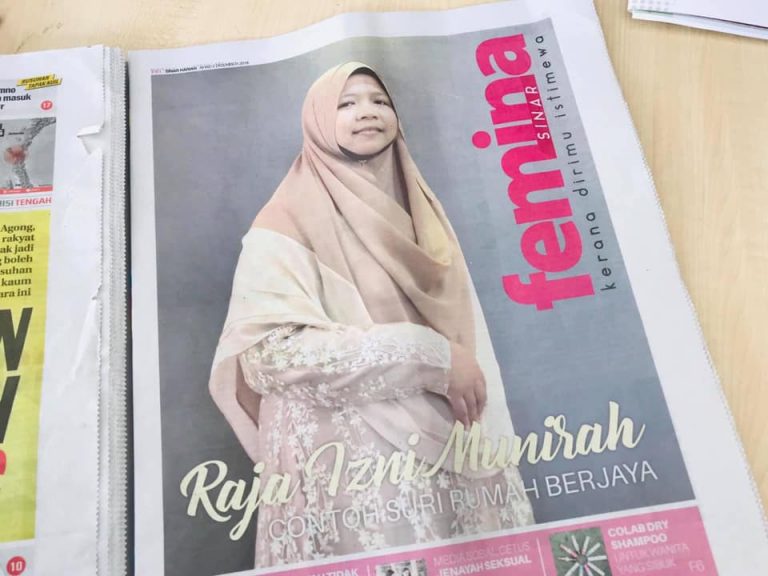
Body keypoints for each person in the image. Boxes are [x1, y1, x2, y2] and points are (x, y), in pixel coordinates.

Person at [210, 62, 534, 568]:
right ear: (318, 121)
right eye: (346, 103)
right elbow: (270, 357)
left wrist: (445, 363)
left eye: (380, 101)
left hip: (444, 445)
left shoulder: (421, 214)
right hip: (353, 461)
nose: (368, 112)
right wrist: (428, 353)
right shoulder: (284, 221)